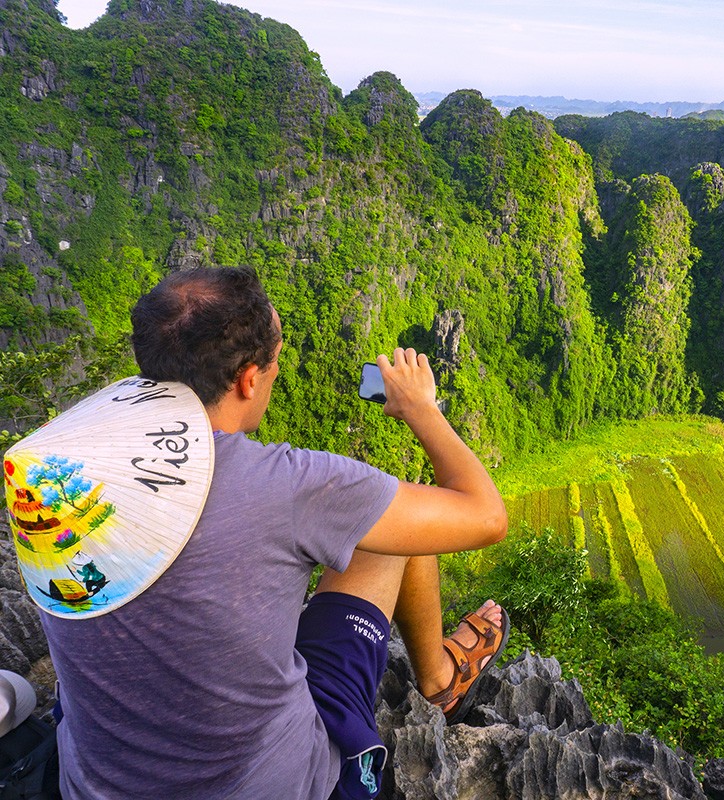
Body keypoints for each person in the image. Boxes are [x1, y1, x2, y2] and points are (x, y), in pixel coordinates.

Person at [38, 266, 509, 799]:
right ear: (248, 379)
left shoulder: (54, 470)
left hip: (94, 784)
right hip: (279, 785)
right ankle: (441, 680)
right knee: (396, 520)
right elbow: (485, 516)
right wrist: (423, 408)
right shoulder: (291, 485)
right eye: (274, 363)